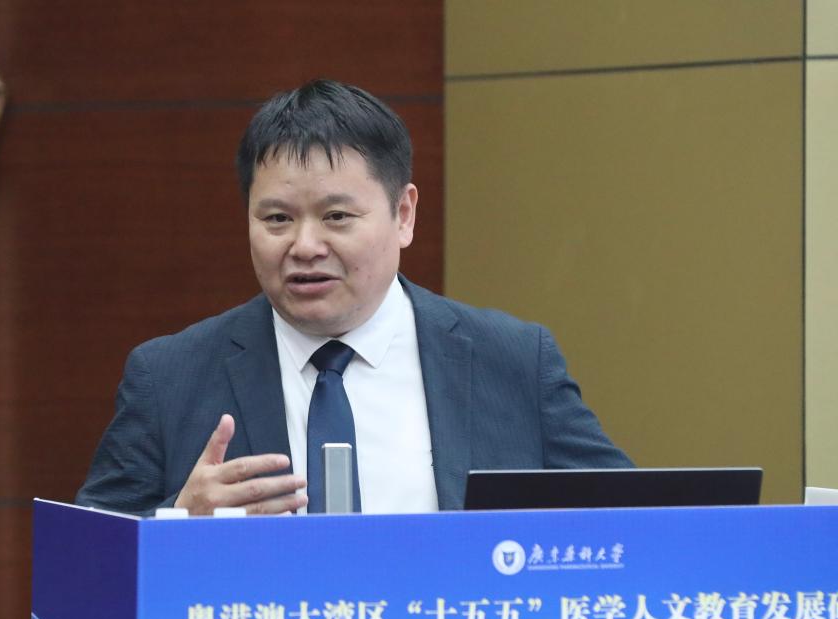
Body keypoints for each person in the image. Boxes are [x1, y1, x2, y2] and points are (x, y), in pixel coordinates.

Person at [76, 79, 631, 516]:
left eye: (337, 216)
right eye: (277, 219)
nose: (304, 246)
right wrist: (177, 523)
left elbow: (640, 521)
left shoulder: (512, 361)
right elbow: (81, 566)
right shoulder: (169, 377)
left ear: (403, 215)